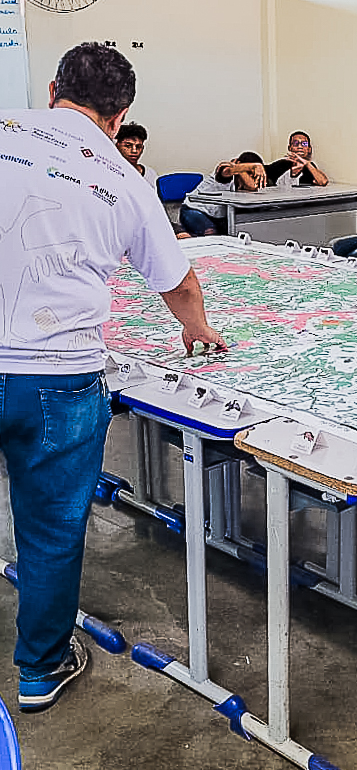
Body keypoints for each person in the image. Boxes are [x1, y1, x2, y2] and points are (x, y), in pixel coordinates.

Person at [0, 42, 226, 713]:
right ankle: (40, 670)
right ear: (120, 113)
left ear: (51, 88)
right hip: (57, 379)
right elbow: (176, 279)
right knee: (51, 529)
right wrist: (198, 329)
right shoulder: (123, 178)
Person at [178, 151, 267, 237]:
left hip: (217, 217)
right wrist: (249, 166)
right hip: (194, 210)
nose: (251, 178)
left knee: (239, 230)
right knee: (211, 233)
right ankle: (187, 236)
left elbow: (252, 187)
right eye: (249, 173)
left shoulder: (240, 180)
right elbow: (228, 171)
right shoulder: (224, 172)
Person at [264, 130, 329, 188]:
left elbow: (323, 182)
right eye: (296, 143)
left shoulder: (310, 168)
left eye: (304, 144)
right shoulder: (280, 164)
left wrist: (306, 163)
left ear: (309, 149)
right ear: (290, 148)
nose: (300, 147)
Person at [115, 120, 157, 187]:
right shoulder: (111, 171)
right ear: (117, 146)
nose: (134, 150)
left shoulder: (150, 174)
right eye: (128, 146)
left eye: (138, 147)